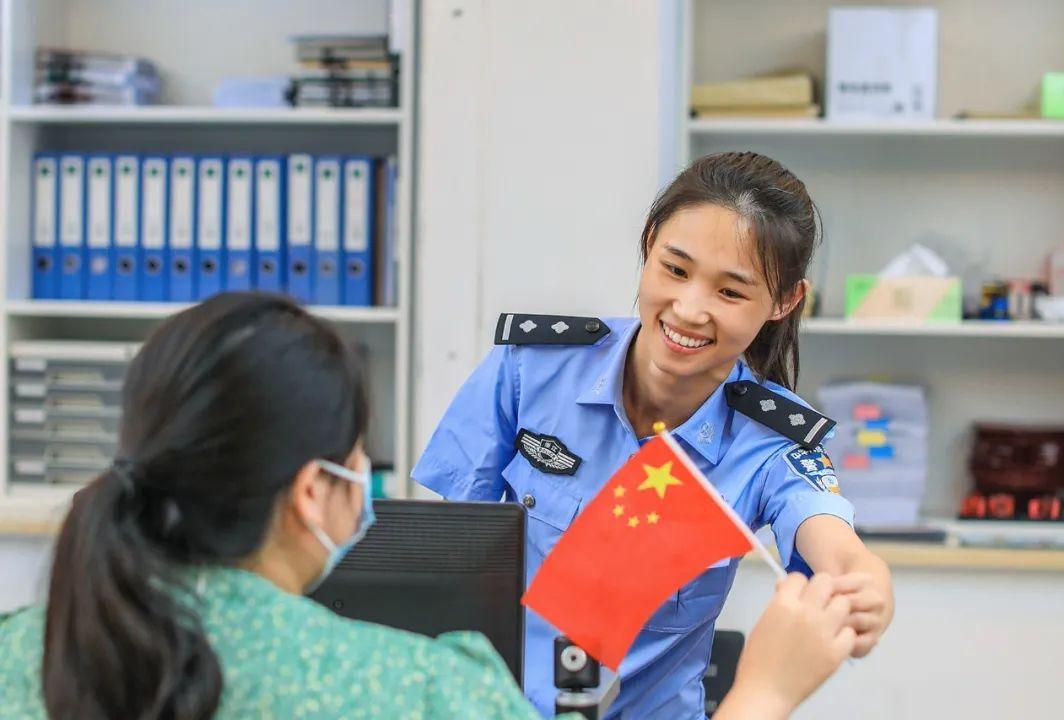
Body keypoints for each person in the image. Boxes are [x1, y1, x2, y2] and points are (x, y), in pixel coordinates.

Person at [0, 292, 853, 720]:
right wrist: (762, 694)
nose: (691, 310)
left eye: (730, 290)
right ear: (313, 491)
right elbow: (464, 510)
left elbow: (814, 509)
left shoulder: (26, 646)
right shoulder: (423, 692)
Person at [413, 151, 894, 718]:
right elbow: (451, 554)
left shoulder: (772, 438)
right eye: (676, 270)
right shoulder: (531, 367)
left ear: (785, 301)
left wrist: (867, 584)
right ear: (648, 244)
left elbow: (835, 544)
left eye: (730, 292)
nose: (688, 310)